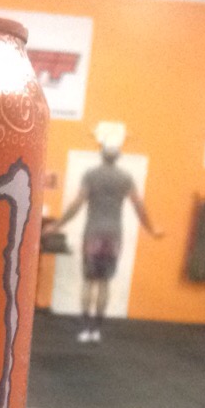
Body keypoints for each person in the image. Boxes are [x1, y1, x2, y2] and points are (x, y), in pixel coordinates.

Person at [46, 144, 163, 343]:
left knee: (89, 281)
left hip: (93, 234)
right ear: (118, 157)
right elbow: (138, 205)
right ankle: (96, 330)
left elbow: (77, 203)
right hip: (113, 235)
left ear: (101, 155)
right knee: (104, 283)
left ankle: (85, 329)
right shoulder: (125, 178)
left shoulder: (91, 175)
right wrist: (151, 229)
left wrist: (57, 225)